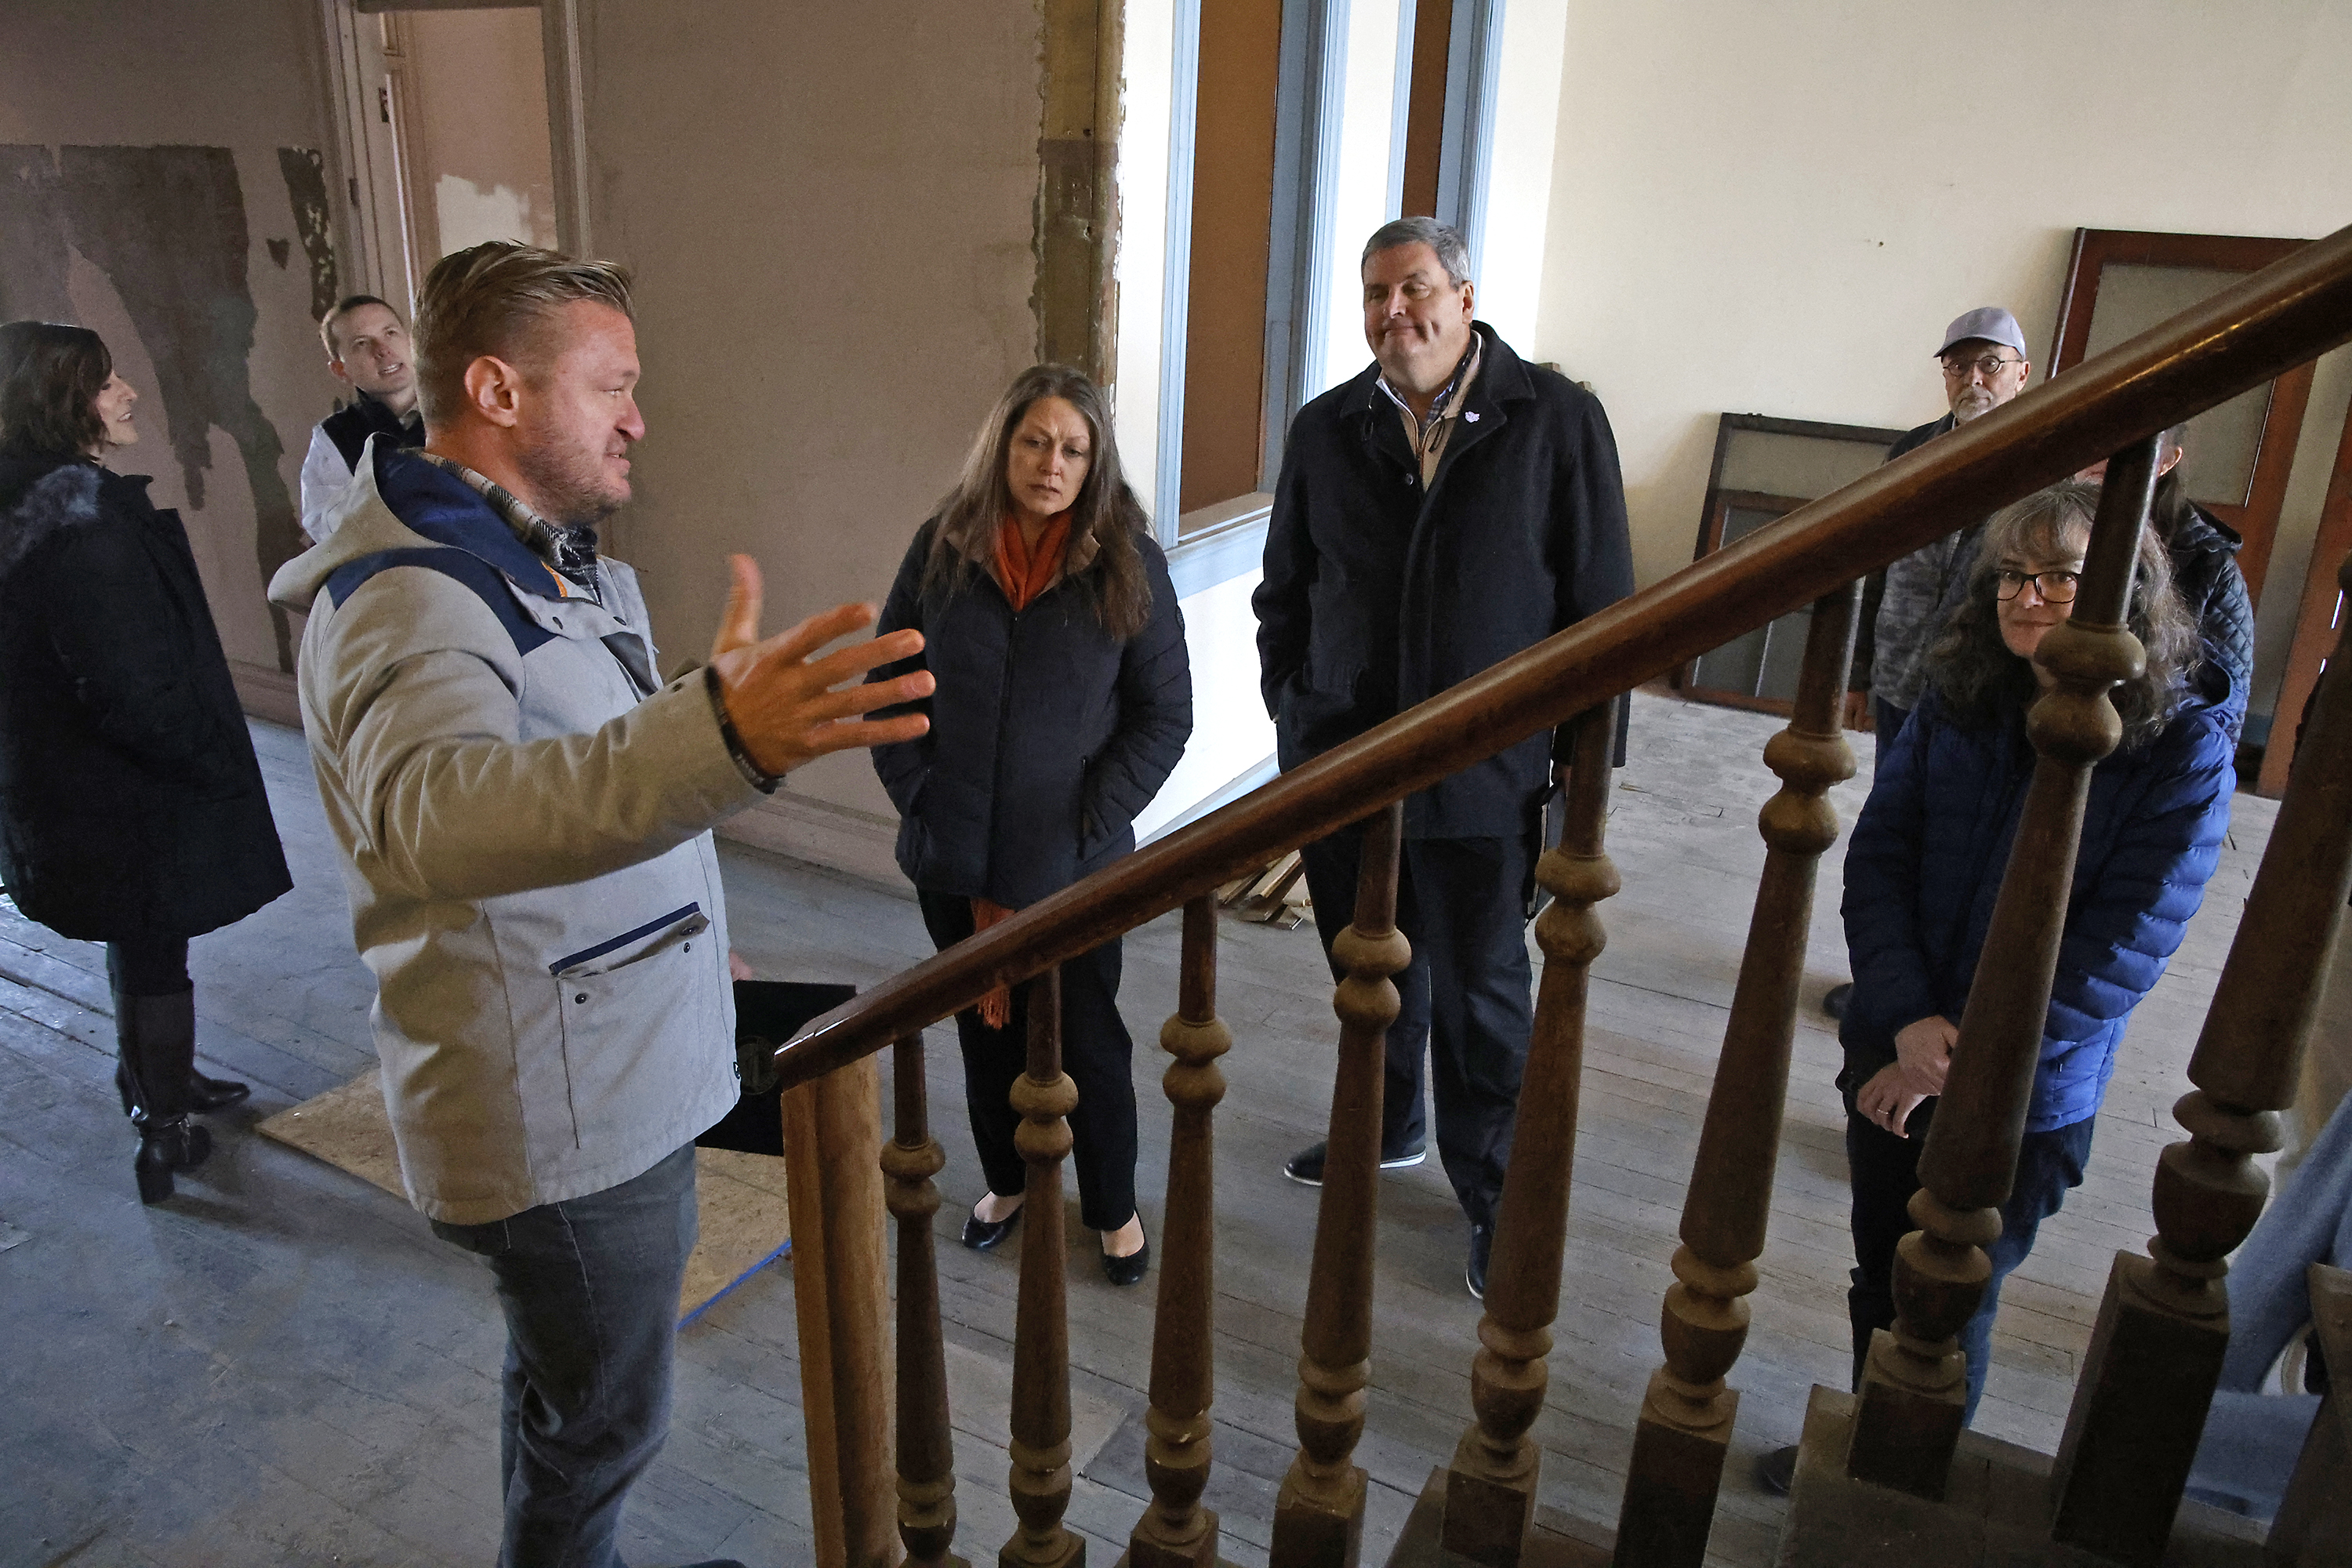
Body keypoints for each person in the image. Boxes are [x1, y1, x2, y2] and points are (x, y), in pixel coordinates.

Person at [267, 241, 934, 1567]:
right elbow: (438, 816)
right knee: (604, 1424)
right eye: (612, 386)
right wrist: (719, 738)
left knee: (566, 1393)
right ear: (498, 392)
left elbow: (571, 782)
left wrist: (692, 885)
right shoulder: (412, 597)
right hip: (561, 1115)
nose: (638, 418)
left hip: (605, 1053)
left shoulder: (519, 557)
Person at [1759, 481, 2234, 1495]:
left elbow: (2125, 945)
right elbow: (1881, 860)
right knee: (1881, 1272)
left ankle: (1904, 1492)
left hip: (2031, 1094)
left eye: (2061, 577)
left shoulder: (2182, 744)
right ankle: (1863, 1451)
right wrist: (1906, 1020)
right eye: (2014, 576)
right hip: (1895, 1045)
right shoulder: (1964, 697)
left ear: (2127, 594)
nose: (2028, 598)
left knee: (1951, 1298)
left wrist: (1960, 1054)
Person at [1253, 216, 1635, 1300]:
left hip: (1485, 776)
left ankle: (1497, 1193)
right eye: (1376, 294)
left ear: (1465, 297)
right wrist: (1296, 716)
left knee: (1482, 998)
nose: (1395, 313)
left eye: (1416, 288)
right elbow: (1287, 592)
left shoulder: (1553, 420)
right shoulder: (1328, 429)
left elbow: (1605, 614)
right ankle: (1388, 1126)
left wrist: (1582, 775)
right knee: (1368, 971)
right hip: (1346, 767)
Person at [869, 364, 1191, 1288]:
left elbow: (1164, 715)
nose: (1053, 464)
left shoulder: (1127, 561)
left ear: (1096, 462)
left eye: (1074, 449)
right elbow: (889, 682)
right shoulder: (944, 545)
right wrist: (924, 796)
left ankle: (1113, 1202)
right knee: (985, 1035)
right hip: (957, 859)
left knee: (1087, 1040)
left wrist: (1089, 820)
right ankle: (1007, 1181)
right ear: (1003, 446)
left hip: (1075, 868)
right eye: (1036, 442)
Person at [0, 321, 290, 1203]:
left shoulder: (32, 500)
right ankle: (163, 1125)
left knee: (144, 936)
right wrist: (206, 757)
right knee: (155, 940)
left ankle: (160, 1075)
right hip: (120, 788)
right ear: (60, 401)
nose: (126, 393)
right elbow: (128, 686)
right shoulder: (81, 523)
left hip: (68, 781)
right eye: (105, 382)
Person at [1826, 305, 2034, 1021]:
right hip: (1900, 679)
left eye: (1990, 365)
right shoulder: (1913, 450)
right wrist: (1859, 674)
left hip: (1981, 692)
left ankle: (1945, 994)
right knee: (1895, 832)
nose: (1973, 379)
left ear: (2020, 375)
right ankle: (1886, 981)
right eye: (1958, 365)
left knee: (1960, 844)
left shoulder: (2040, 455)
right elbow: (1871, 563)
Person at [2075, 423, 2255, 735]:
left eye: (2128, 447)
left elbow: (2226, 707)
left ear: (2167, 461)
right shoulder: (2028, 529)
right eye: (2095, 439)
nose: (2104, 456)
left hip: (2144, 739)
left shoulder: (2206, 561)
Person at [298, 294, 425, 542]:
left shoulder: (463, 407)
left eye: (390, 333)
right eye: (362, 343)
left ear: (411, 341)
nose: (383, 350)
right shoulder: (334, 438)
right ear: (341, 370)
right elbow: (328, 526)